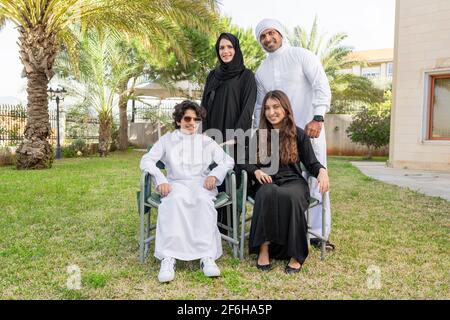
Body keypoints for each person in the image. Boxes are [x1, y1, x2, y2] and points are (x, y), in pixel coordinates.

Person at [253, 18, 334, 250]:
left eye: (271, 33)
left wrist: (318, 117)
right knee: (283, 182)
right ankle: (285, 231)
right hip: (277, 137)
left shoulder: (301, 55)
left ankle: (318, 234)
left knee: (316, 177)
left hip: (309, 131)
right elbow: (261, 105)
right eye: (263, 36)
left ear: (280, 33)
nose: (268, 39)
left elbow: (321, 85)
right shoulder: (262, 70)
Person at [140, 101, 234, 283]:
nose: (192, 123)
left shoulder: (206, 141)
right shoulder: (167, 140)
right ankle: (168, 258)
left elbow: (227, 161)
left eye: (196, 119)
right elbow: (147, 160)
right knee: (173, 202)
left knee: (202, 202)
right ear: (178, 120)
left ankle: (206, 256)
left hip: (202, 184)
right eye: (187, 118)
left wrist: (214, 175)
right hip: (175, 184)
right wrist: (161, 179)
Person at [240, 90, 330, 273]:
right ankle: (264, 250)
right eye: (267, 108)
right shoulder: (259, 135)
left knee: (290, 196)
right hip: (266, 180)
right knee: (266, 193)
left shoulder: (298, 134)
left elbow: (311, 162)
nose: (271, 112)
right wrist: (255, 170)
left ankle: (296, 255)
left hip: (293, 181)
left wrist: (322, 171)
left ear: (286, 108)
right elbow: (243, 161)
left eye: (275, 107)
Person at [201, 32, 257, 231]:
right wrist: (205, 133)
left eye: (229, 47)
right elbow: (204, 106)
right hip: (213, 135)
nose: (225, 51)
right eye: (221, 48)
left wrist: (236, 137)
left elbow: (248, 108)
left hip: (235, 138)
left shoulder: (246, 76)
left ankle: (229, 226)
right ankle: (210, 222)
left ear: (236, 49)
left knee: (231, 176)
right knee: (211, 174)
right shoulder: (213, 75)